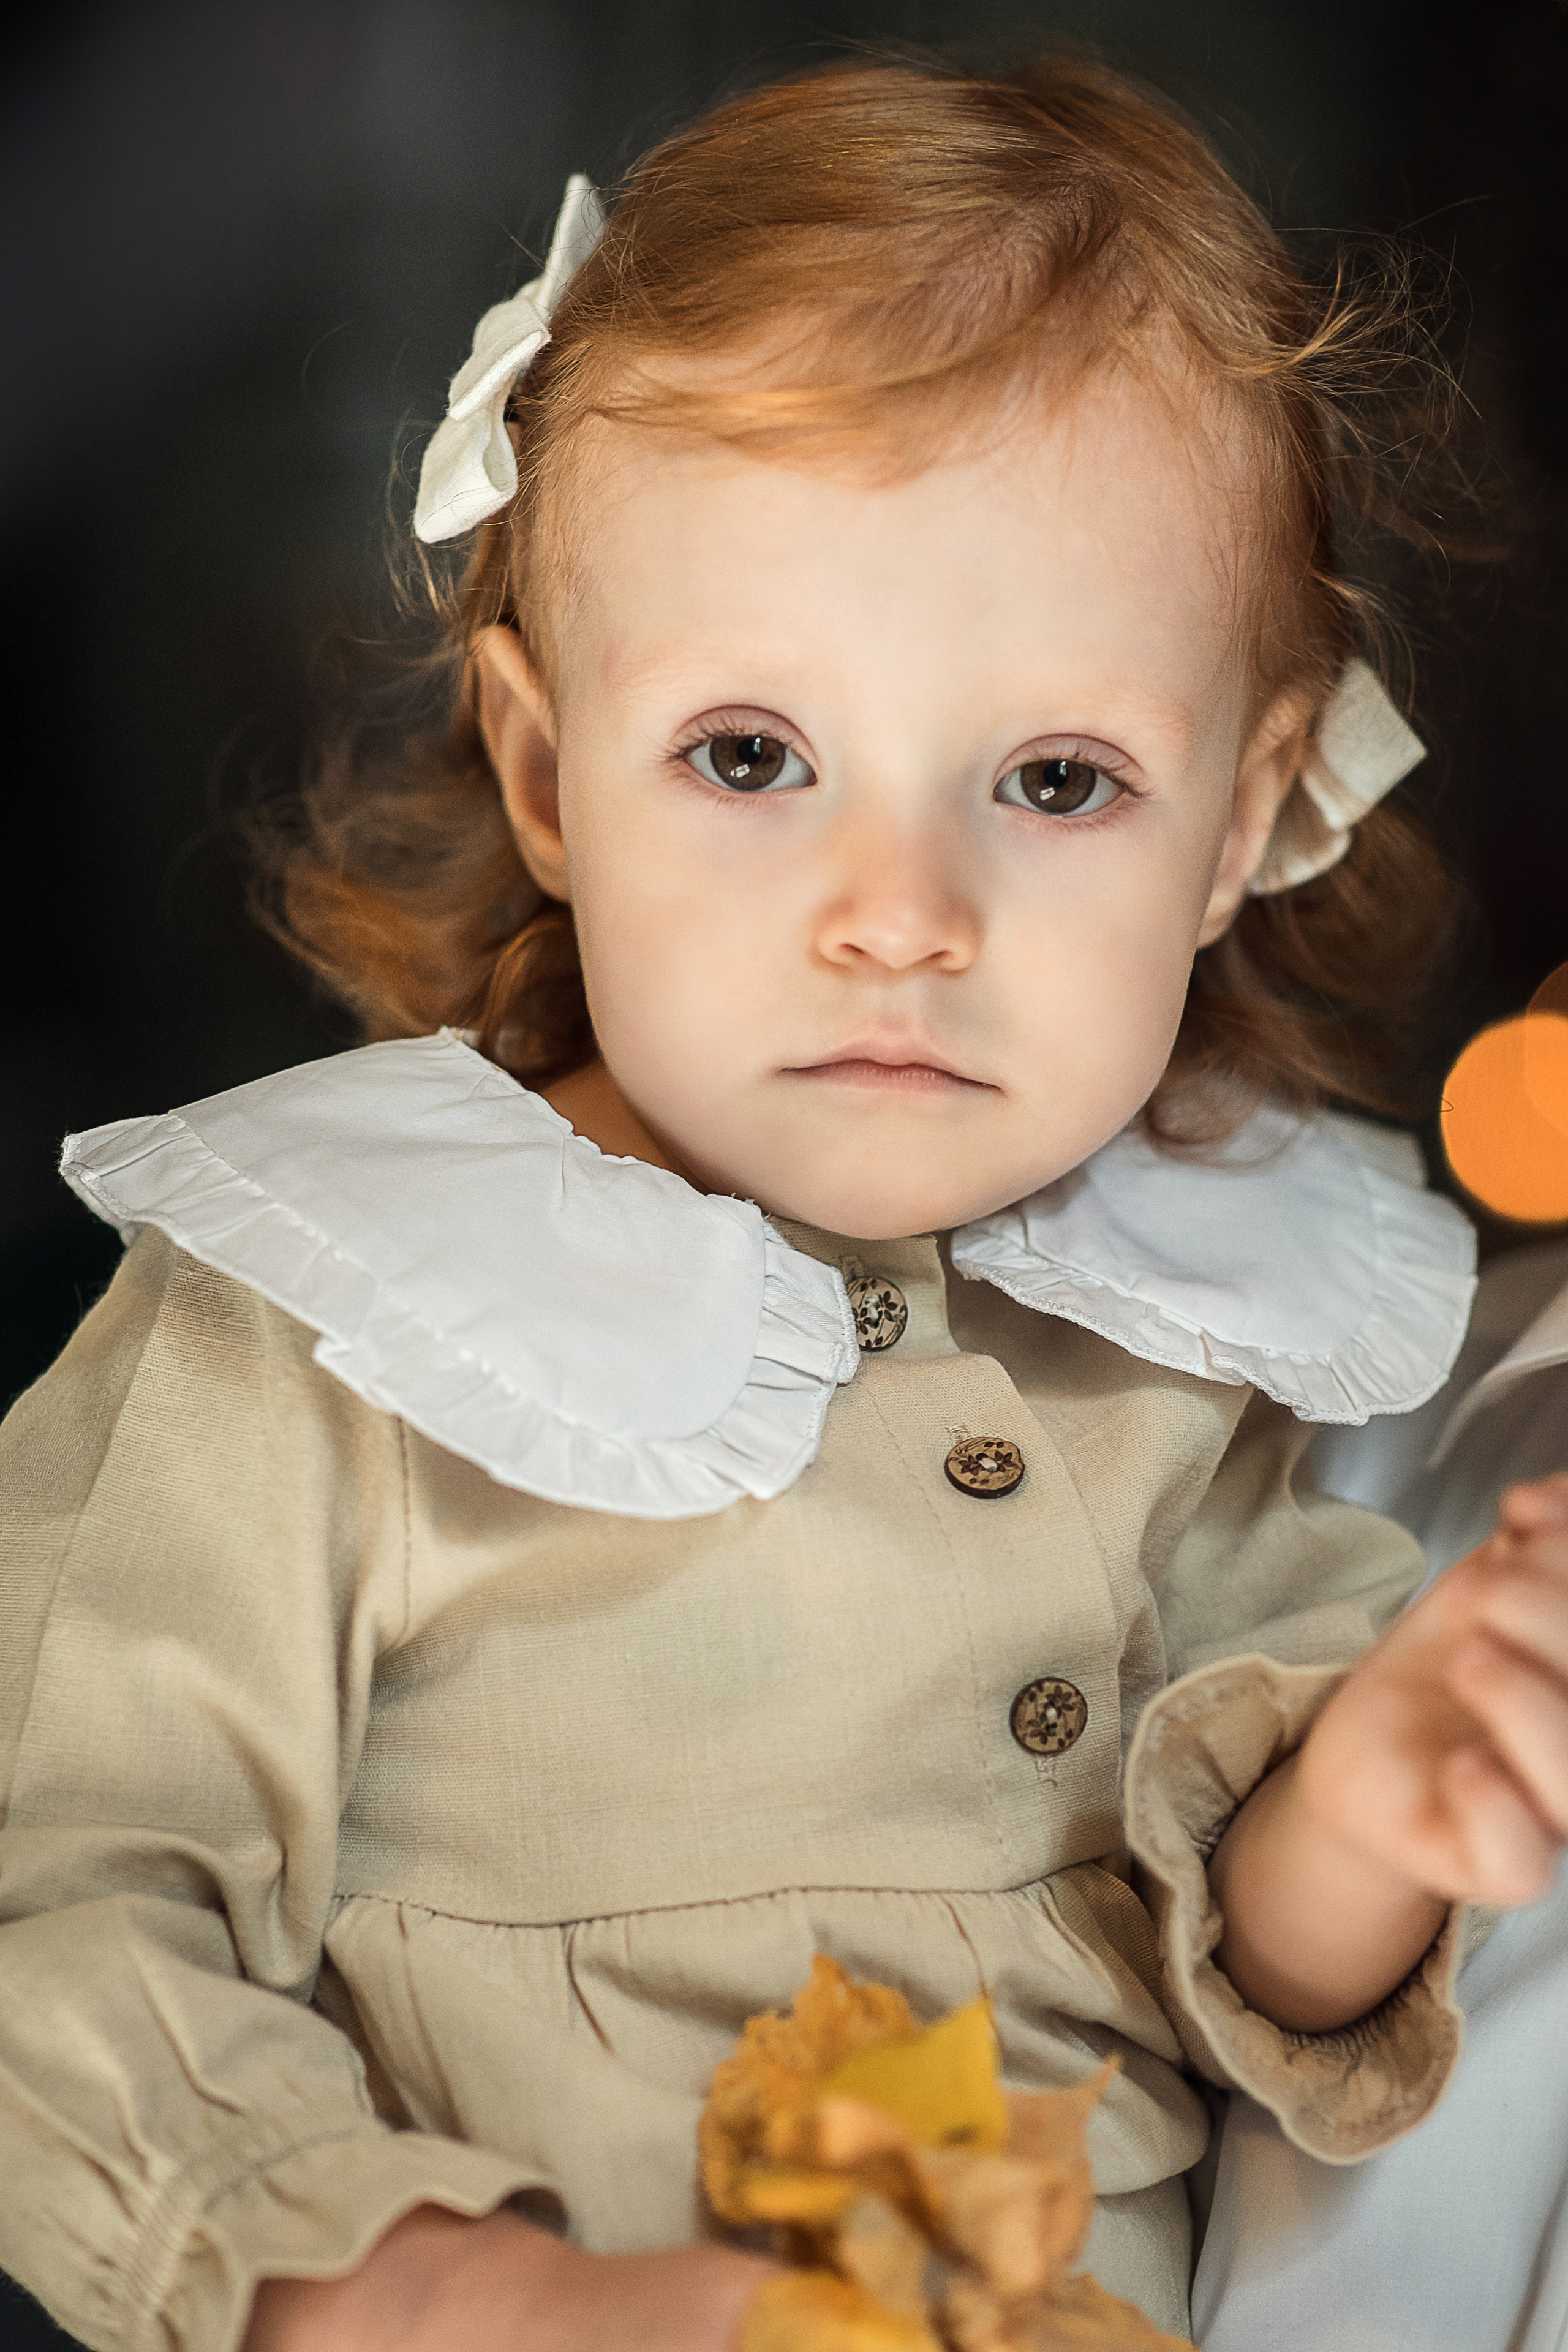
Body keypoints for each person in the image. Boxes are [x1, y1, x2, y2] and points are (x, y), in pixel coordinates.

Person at [1, 52, 1564, 2352]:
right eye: (751, 758)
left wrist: (1381, 1810)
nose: (899, 912)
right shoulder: (320, 1311)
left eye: (1056, 778)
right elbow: (58, 1895)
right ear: (552, 773)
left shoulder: (1197, 1352)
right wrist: (441, 2291)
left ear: (1238, 822)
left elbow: (1255, 1971)